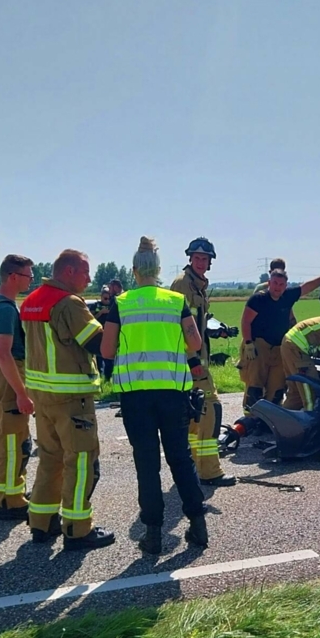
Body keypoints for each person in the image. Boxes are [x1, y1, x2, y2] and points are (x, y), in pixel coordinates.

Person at [101, 236, 208, 554]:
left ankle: (154, 534)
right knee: (180, 457)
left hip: (136, 397)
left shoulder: (122, 304)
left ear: (134, 271)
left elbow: (107, 349)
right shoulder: (175, 302)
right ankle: (198, 526)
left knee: (147, 464)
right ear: (159, 270)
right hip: (174, 393)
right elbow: (195, 343)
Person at [21, 249, 114, 551]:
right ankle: (76, 528)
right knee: (82, 460)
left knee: (50, 458)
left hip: (42, 395)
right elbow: (98, 344)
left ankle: (42, 521)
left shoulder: (33, 299)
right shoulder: (70, 304)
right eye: (86, 272)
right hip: (71, 397)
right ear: (70, 272)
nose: (89, 278)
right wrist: (114, 321)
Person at [169, 237, 235, 487]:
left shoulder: (197, 285)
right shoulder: (183, 285)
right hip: (191, 362)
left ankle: (194, 468)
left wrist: (216, 331)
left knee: (196, 417)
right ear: (190, 259)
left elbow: (196, 323)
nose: (200, 262)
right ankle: (209, 471)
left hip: (197, 360)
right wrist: (192, 359)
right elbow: (179, 326)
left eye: (204, 259)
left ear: (210, 262)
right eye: (196, 258)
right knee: (210, 409)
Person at [239, 267, 320, 413]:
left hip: (280, 347)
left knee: (277, 386)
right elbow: (246, 321)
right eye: (275, 283)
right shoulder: (258, 299)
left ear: (285, 285)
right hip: (259, 346)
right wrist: (248, 343)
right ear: (269, 283)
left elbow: (306, 287)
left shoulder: (288, 296)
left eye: (281, 284)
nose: (277, 287)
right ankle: (250, 419)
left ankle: (269, 420)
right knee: (255, 385)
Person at [0, 254, 35, 521]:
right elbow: (4, 353)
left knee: (11, 437)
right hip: (7, 374)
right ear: (14, 276)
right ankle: (11, 500)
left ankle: (9, 493)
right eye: (28, 276)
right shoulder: (4, 309)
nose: (31, 280)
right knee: (15, 440)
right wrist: (22, 394)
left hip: (0, 373)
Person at [89, 286, 114, 382]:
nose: (107, 300)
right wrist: (101, 313)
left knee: (109, 357)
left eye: (108, 298)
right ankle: (99, 376)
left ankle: (108, 378)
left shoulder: (113, 306)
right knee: (99, 357)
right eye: (105, 298)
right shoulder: (95, 306)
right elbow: (90, 319)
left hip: (109, 334)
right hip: (98, 333)